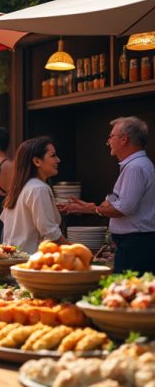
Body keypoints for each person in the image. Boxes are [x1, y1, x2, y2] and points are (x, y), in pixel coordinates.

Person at [60, 117, 155, 273]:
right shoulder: (137, 165)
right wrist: (94, 207)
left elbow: (124, 208)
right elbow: (120, 202)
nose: (108, 141)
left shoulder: (135, 167)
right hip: (136, 243)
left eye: (111, 136)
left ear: (124, 139)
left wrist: (92, 209)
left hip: (135, 245)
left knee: (126, 287)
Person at [0, 136, 65, 253]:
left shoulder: (22, 188)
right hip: (30, 260)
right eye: (53, 155)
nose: (58, 160)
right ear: (37, 161)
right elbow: (50, 231)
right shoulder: (39, 189)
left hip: (14, 258)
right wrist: (75, 250)